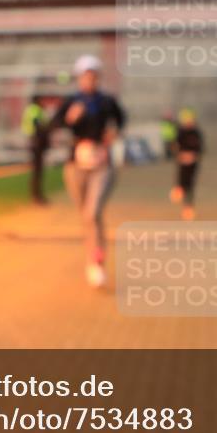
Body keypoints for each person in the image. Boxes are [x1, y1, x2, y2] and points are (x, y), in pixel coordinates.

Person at [50, 55, 125, 288]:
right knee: (87, 216)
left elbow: (120, 121)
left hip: (101, 165)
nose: (89, 79)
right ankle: (92, 257)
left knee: (93, 213)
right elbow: (55, 125)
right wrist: (70, 119)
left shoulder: (106, 101)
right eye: (85, 75)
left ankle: (97, 261)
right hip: (77, 166)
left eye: (93, 75)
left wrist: (113, 134)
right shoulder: (71, 102)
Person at [169, 107, 203, 221]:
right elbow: (175, 145)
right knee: (181, 179)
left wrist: (193, 156)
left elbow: (200, 148)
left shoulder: (196, 133)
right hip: (182, 160)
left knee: (190, 184)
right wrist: (179, 155)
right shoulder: (180, 132)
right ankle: (178, 189)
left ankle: (188, 208)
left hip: (193, 161)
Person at [21, 94, 50, 205]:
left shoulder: (33, 109)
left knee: (37, 170)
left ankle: (37, 195)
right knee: (37, 171)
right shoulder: (34, 110)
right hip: (36, 142)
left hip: (35, 142)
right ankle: (36, 195)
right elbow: (37, 124)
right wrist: (43, 135)